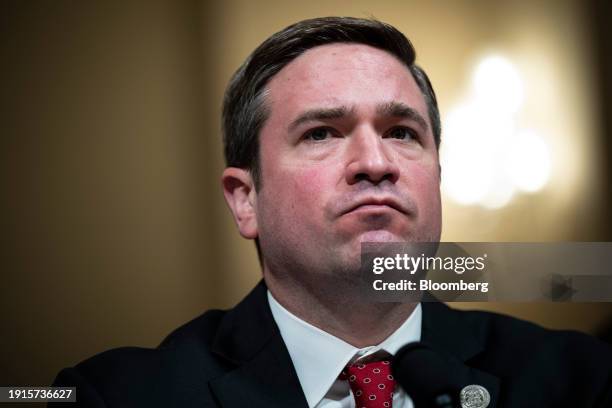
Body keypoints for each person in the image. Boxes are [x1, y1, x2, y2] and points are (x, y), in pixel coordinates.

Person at [51, 17, 612, 407]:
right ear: (246, 200)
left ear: (436, 176)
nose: (376, 162)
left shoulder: (579, 378)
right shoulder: (118, 396)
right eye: (322, 133)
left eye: (401, 133)